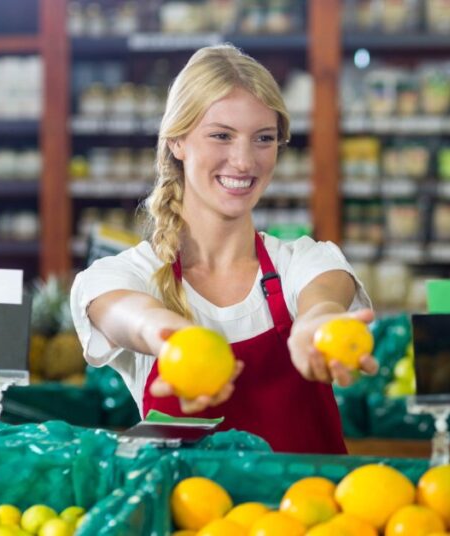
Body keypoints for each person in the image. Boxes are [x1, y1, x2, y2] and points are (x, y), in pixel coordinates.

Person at [69, 44, 377, 454]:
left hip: (308, 515)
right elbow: (134, 319)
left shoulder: (304, 260)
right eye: (221, 135)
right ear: (177, 141)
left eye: (263, 139)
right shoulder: (123, 276)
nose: (244, 160)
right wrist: (176, 340)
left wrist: (314, 327)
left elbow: (323, 301)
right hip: (192, 516)